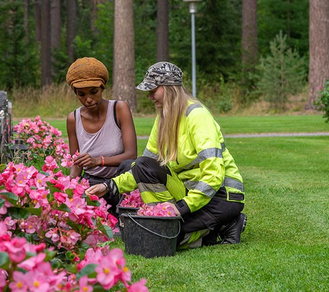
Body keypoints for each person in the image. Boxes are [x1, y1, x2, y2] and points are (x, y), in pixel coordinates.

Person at [85, 61, 247, 248]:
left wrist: (179, 209)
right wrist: (109, 186)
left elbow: (214, 175)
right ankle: (215, 229)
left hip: (221, 196)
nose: (150, 96)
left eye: (153, 90)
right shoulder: (163, 119)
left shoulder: (197, 116)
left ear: (170, 88)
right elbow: (143, 167)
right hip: (189, 193)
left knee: (158, 236)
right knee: (155, 230)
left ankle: (228, 223)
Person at [66, 57, 137, 217]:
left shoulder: (119, 109)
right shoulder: (73, 118)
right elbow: (76, 162)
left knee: (128, 166)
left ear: (102, 87)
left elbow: (131, 156)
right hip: (93, 182)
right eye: (81, 94)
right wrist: (69, 186)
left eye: (94, 92)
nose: (88, 99)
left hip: (120, 181)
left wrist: (98, 161)